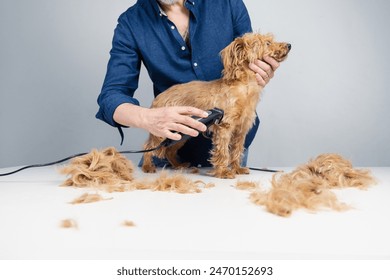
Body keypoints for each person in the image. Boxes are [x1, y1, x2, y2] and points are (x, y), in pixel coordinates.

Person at [96, 0, 279, 167]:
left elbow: (251, 57)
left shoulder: (228, 3)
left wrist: (262, 70)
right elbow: (111, 96)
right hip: (168, 150)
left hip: (231, 151)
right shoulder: (131, 22)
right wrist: (147, 118)